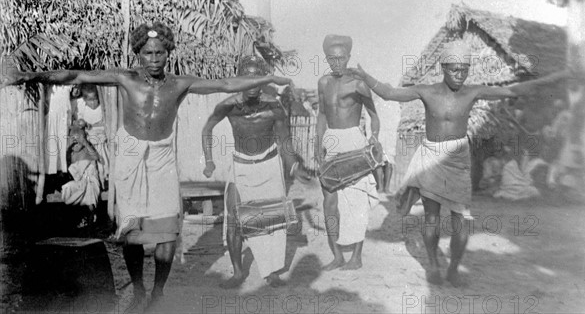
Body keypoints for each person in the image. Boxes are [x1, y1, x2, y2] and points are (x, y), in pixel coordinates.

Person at [0, 22, 292, 310]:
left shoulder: (180, 84)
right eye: (148, 53)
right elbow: (76, 74)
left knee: (167, 230)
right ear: (138, 54)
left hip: (162, 156)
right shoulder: (125, 78)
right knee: (133, 231)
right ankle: (138, 289)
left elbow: (227, 83)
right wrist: (29, 74)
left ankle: (158, 291)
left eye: (160, 53)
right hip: (131, 154)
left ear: (169, 53)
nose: (154, 59)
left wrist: (266, 80)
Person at [349, 40, 570, 286]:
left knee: (461, 218)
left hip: (458, 158)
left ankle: (453, 268)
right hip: (432, 156)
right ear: (443, 67)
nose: (459, 75)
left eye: (464, 70)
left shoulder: (471, 92)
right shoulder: (427, 91)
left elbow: (512, 91)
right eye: (455, 70)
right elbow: (390, 93)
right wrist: (364, 75)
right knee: (431, 216)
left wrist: (551, 80)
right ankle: (433, 264)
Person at [202, 56, 311, 288]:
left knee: (273, 219)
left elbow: (284, 141)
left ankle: (271, 273)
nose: (251, 84)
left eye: (256, 78)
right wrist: (209, 161)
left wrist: (292, 164)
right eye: (246, 78)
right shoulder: (228, 105)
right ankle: (238, 273)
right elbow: (207, 128)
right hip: (240, 165)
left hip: (269, 165)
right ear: (239, 79)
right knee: (233, 219)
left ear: (263, 80)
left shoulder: (273, 106)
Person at [316, 34, 380, 271]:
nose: (337, 63)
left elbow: (374, 115)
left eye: (341, 58)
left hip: (353, 140)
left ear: (349, 57)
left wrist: (374, 136)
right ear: (327, 58)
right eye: (331, 59)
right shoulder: (323, 83)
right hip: (331, 140)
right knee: (329, 203)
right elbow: (322, 115)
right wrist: (317, 149)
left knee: (356, 201)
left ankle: (356, 256)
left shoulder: (358, 83)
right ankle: (337, 256)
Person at [61, 120, 102, 228]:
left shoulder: (87, 149)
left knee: (89, 190)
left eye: (78, 142)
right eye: (73, 143)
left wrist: (85, 143)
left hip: (90, 181)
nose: (76, 145)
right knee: (67, 188)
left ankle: (90, 216)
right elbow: (65, 166)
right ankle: (78, 217)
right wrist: (69, 146)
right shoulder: (71, 153)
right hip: (77, 181)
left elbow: (96, 158)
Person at [73, 84, 109, 189]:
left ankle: (104, 183)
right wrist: (82, 122)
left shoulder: (102, 109)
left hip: (102, 142)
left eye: (95, 100)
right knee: (91, 166)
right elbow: (78, 121)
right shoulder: (82, 108)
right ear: (84, 100)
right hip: (89, 144)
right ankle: (94, 183)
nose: (93, 103)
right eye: (90, 100)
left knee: (104, 163)